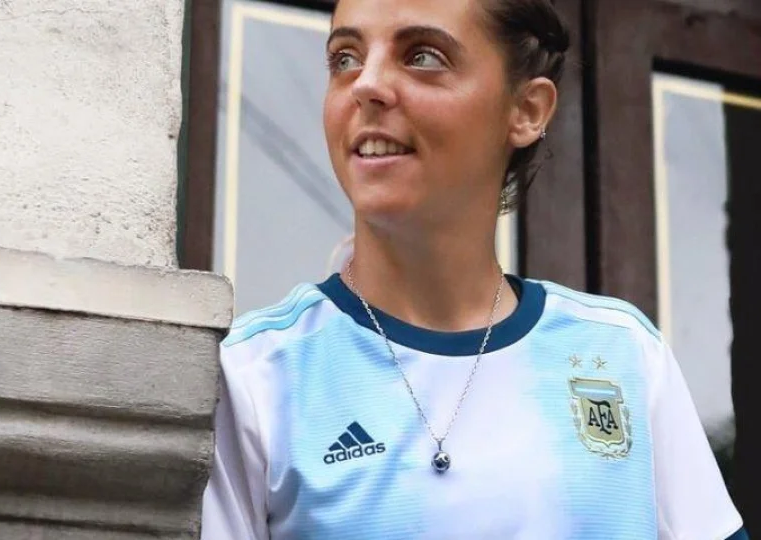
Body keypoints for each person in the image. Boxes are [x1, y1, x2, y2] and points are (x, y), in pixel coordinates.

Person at [199, 0, 748, 538]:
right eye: (345, 58)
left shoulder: (625, 357)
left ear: (527, 110)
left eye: (422, 56)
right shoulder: (255, 378)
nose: (366, 84)